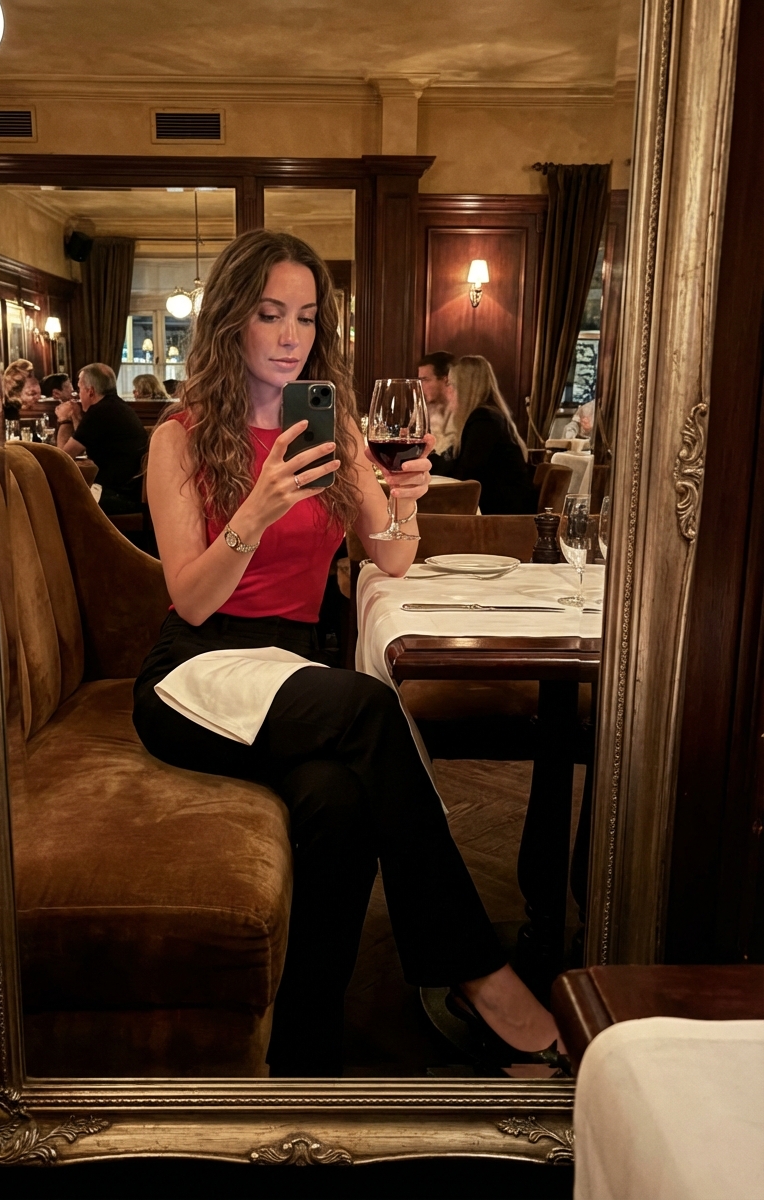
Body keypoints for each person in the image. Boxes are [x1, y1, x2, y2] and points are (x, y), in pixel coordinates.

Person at [131, 229, 564, 1077]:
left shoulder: (335, 429)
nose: (290, 336)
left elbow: (392, 557)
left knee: (337, 801)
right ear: (231, 320)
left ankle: (307, 1052)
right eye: (270, 314)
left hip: (291, 671)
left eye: (305, 317)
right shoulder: (180, 437)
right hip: (196, 672)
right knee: (369, 706)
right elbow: (192, 598)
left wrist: (404, 500)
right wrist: (254, 512)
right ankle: (479, 976)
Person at [430, 355, 536, 514]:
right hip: (498, 507)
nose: (448, 391)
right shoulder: (484, 417)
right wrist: (424, 459)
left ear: (465, 388)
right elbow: (454, 461)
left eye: (450, 384)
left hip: (505, 515)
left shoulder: (485, 421)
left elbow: (464, 474)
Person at [55, 363, 148, 514]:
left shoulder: (99, 412)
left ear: (90, 391)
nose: (78, 395)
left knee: (59, 501)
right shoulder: (115, 406)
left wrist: (64, 420)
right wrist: (76, 416)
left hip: (119, 497)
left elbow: (61, 458)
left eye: (79, 389)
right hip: (129, 490)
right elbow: (83, 440)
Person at [417, 351, 457, 454]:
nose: (420, 386)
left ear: (446, 380)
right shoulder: (423, 409)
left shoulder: (463, 414)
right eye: (420, 380)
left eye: (425, 380)